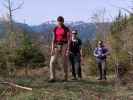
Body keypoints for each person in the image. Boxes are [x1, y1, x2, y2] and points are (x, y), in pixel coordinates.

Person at [49, 16, 71, 82]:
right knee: (52, 62)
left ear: (63, 21)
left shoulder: (66, 29)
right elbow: (53, 39)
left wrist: (68, 49)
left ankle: (65, 78)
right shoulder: (55, 29)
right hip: (56, 45)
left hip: (64, 45)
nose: (59, 22)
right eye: (58, 21)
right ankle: (52, 77)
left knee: (64, 62)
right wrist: (52, 49)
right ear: (57, 21)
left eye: (61, 21)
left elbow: (69, 39)